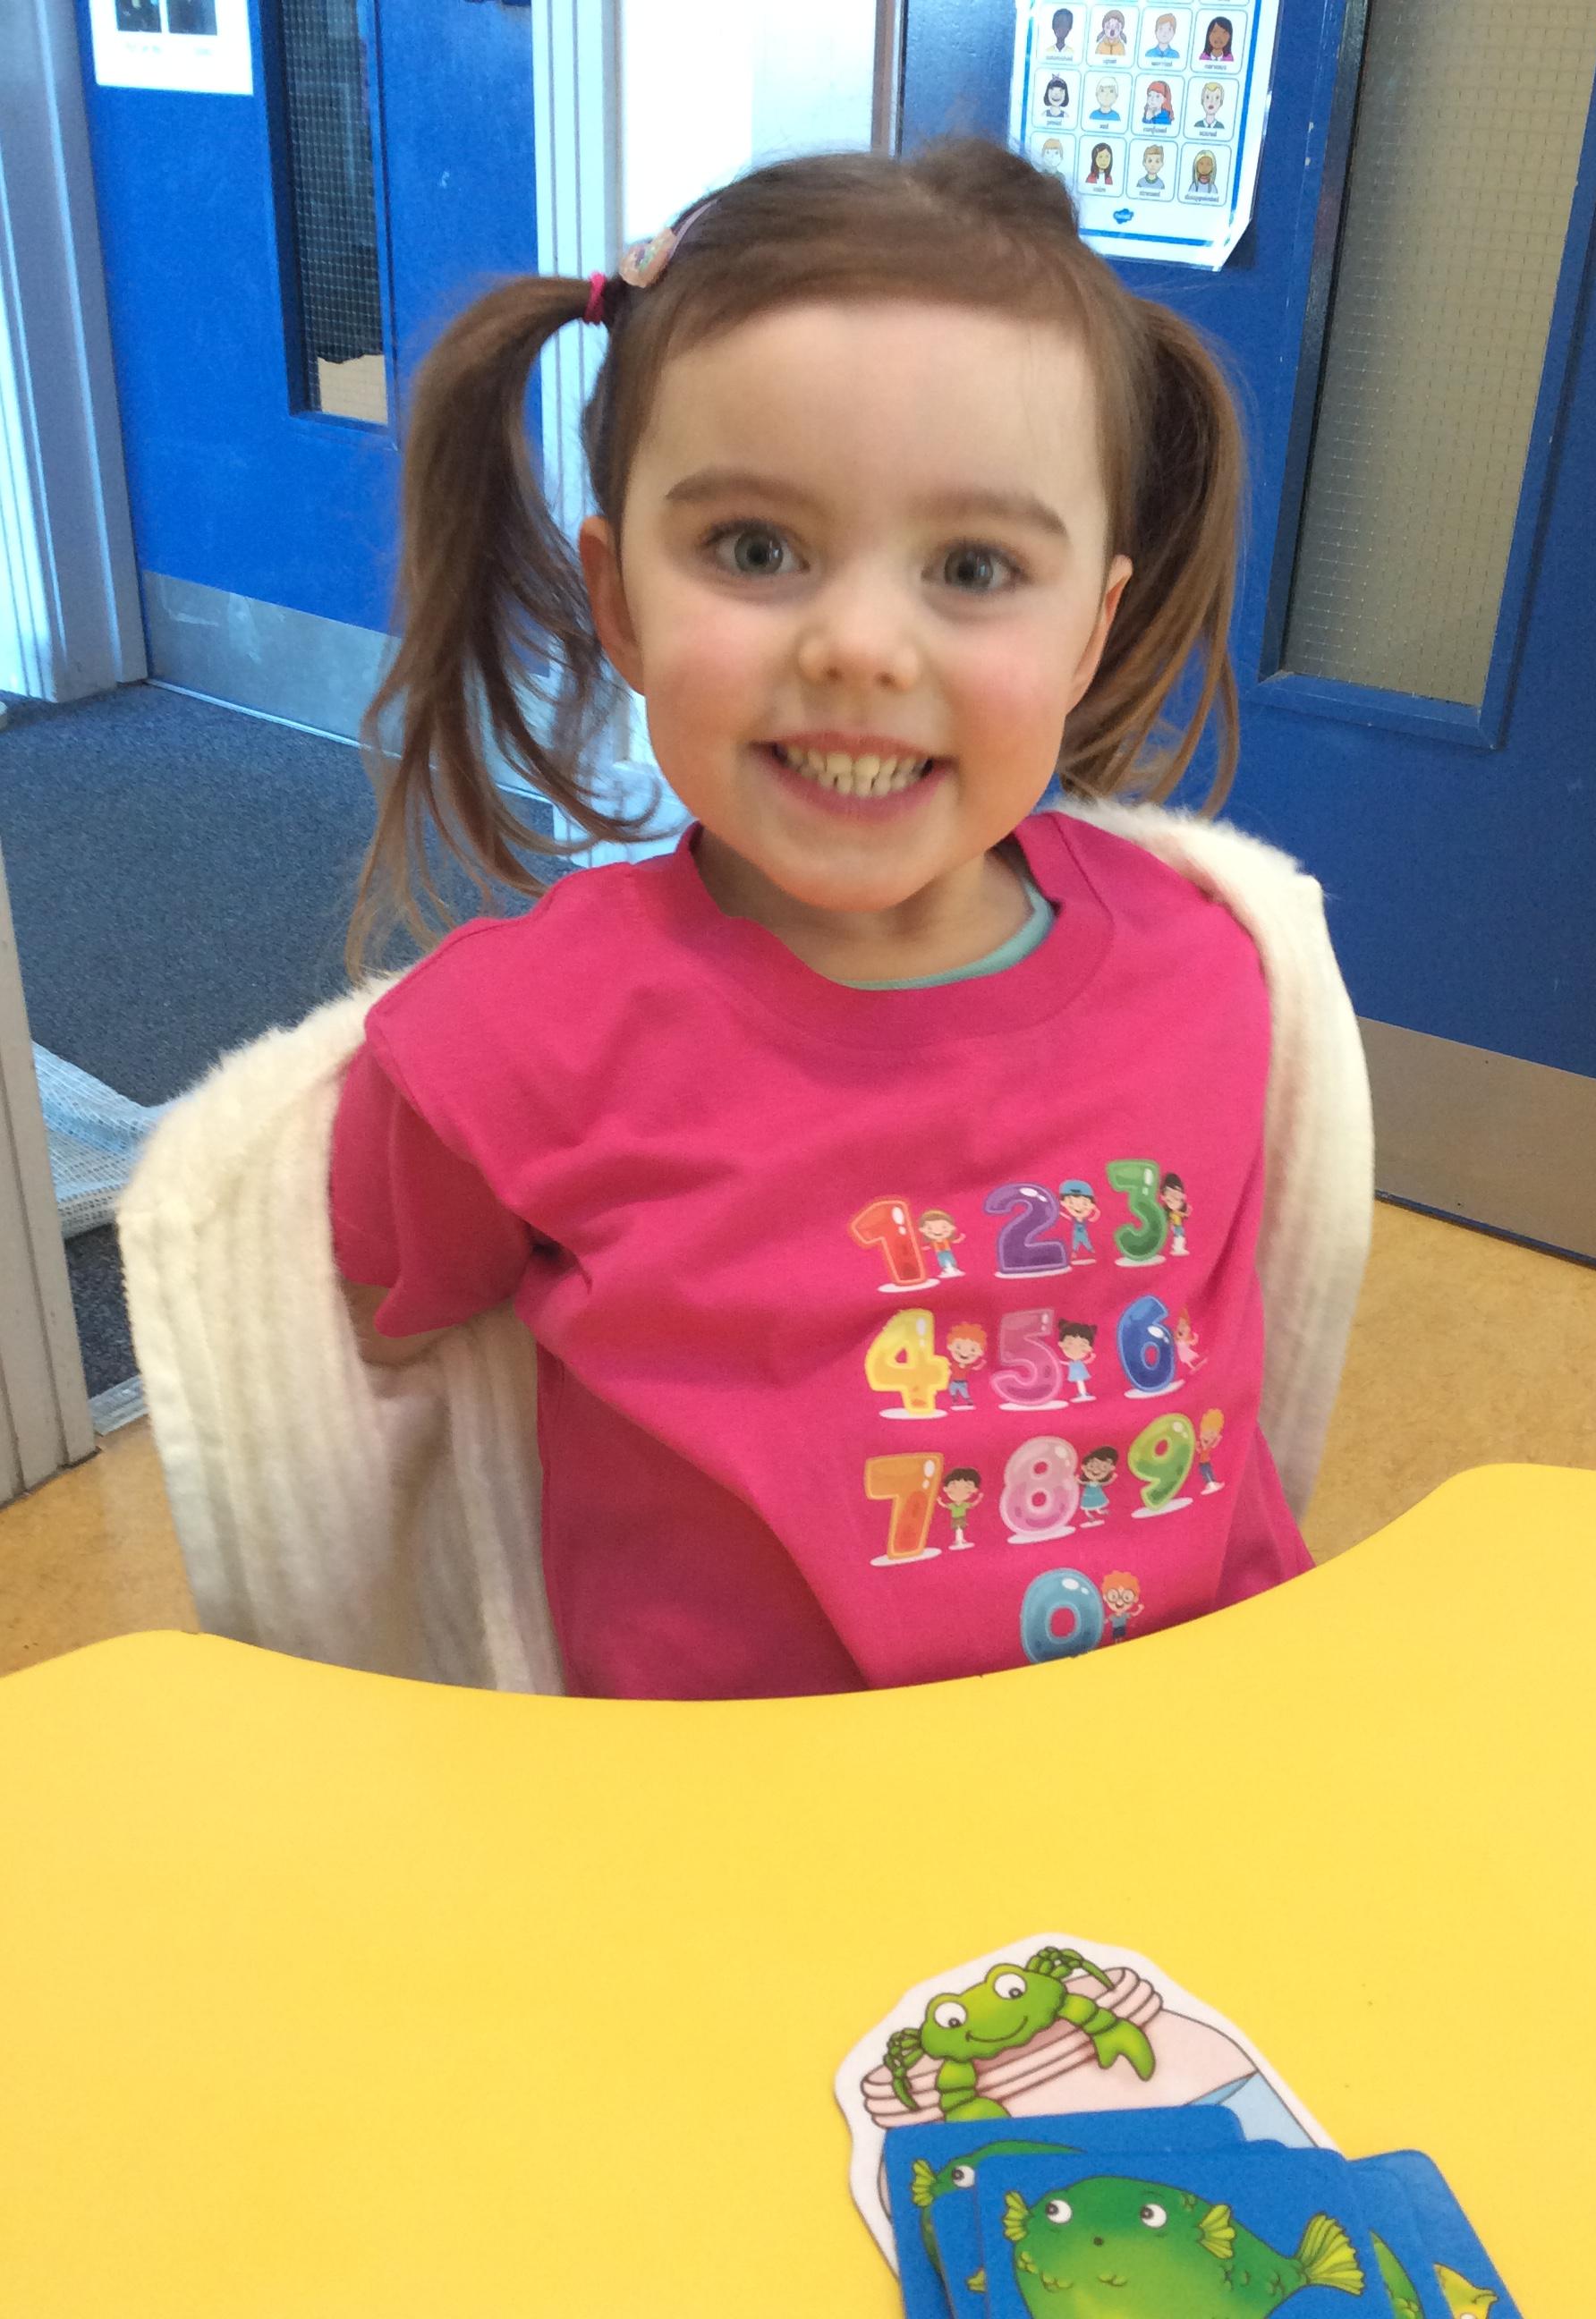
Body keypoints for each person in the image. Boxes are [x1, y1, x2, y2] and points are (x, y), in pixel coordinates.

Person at [327, 140, 1341, 1701]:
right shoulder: (502, 1046)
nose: (861, 646)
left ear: (1091, 631)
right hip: (739, 1818)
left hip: (1190, 1764)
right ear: (620, 599)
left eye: (974, 566)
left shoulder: (1214, 972)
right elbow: (377, 1335)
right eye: (756, 550)